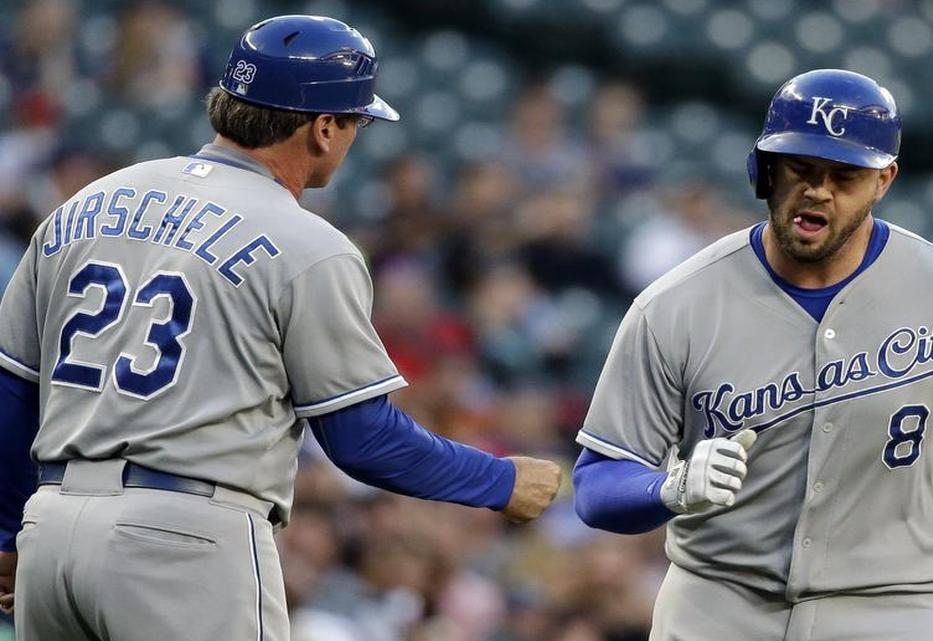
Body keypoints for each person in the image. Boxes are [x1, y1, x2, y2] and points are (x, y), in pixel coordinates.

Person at [0, 15, 561, 641]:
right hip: (182, 542)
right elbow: (363, 440)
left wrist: (4, 533)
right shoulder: (308, 244)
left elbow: (15, 390)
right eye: (356, 122)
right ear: (323, 128)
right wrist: (499, 480)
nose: (354, 139)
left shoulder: (87, 203)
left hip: (50, 528)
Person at [571, 69, 933, 640]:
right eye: (801, 167)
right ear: (766, 169)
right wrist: (668, 488)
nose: (819, 189)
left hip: (895, 612)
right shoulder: (674, 306)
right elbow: (597, 484)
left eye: (845, 174)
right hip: (717, 607)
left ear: (884, 181)